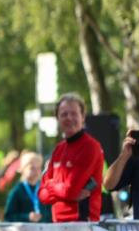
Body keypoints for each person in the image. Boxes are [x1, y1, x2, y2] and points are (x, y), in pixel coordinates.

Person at [37, 92, 104, 222]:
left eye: (74, 113)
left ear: (83, 117)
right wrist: (61, 189)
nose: (68, 118)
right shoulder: (58, 149)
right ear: (57, 118)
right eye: (64, 114)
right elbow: (41, 195)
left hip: (82, 224)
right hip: (58, 225)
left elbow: (70, 191)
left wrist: (50, 185)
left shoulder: (90, 147)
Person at [3, 152, 52, 223]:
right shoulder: (16, 191)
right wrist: (27, 217)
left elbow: (50, 214)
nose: (36, 171)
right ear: (22, 169)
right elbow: (8, 217)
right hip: (24, 229)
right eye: (32, 168)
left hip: (43, 229)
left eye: (38, 168)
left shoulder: (44, 190)